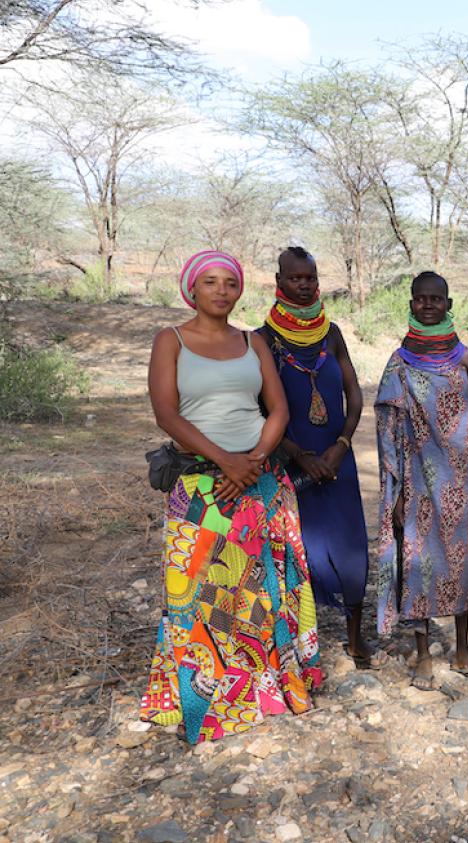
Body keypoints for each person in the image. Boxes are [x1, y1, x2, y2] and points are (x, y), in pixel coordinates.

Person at [141, 250, 323, 744]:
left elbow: (278, 409)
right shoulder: (171, 341)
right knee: (199, 590)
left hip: (261, 479)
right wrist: (227, 461)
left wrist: (256, 459)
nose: (221, 291)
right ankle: (209, 696)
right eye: (210, 283)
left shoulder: (253, 342)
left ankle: (273, 686)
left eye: (230, 283)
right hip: (203, 483)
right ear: (192, 290)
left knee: (265, 589)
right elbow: (167, 415)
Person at [258, 247, 377, 670]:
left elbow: (355, 394)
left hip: (337, 460)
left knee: (351, 547)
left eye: (310, 277)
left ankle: (354, 636)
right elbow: (259, 407)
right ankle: (299, 646)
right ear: (279, 280)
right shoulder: (264, 339)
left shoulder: (332, 333)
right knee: (297, 550)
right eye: (295, 278)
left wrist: (341, 445)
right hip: (291, 464)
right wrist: (298, 455)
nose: (305, 285)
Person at [374, 271, 468, 690]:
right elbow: (389, 428)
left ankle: (462, 650)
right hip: (416, 480)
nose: (428, 305)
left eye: (436, 299)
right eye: (420, 299)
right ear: (410, 303)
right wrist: (397, 492)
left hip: (459, 479)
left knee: (463, 564)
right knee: (418, 564)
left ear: (448, 303)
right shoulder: (399, 362)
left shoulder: (465, 358)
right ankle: (423, 654)